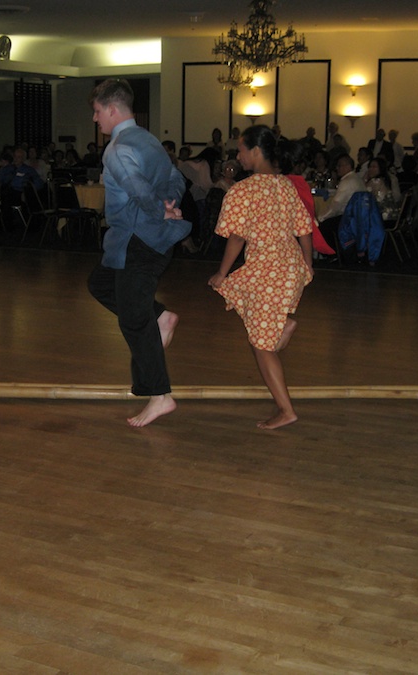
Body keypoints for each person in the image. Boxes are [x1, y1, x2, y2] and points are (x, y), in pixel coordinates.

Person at [86, 78, 191, 427]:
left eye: (98, 111)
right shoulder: (148, 140)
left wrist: (160, 209)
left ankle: (160, 396)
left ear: (113, 109)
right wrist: (170, 204)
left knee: (133, 319)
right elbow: (176, 178)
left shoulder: (116, 149)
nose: (95, 119)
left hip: (138, 242)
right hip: (146, 241)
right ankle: (161, 316)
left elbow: (137, 190)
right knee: (100, 283)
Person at [208, 124, 314, 430]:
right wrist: (307, 265)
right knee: (258, 329)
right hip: (288, 267)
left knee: (262, 346)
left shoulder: (243, 190)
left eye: (240, 150)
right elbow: (303, 228)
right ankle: (283, 324)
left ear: (256, 151)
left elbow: (237, 237)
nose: (237, 156)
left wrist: (221, 272)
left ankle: (286, 410)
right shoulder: (286, 186)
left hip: (268, 271)